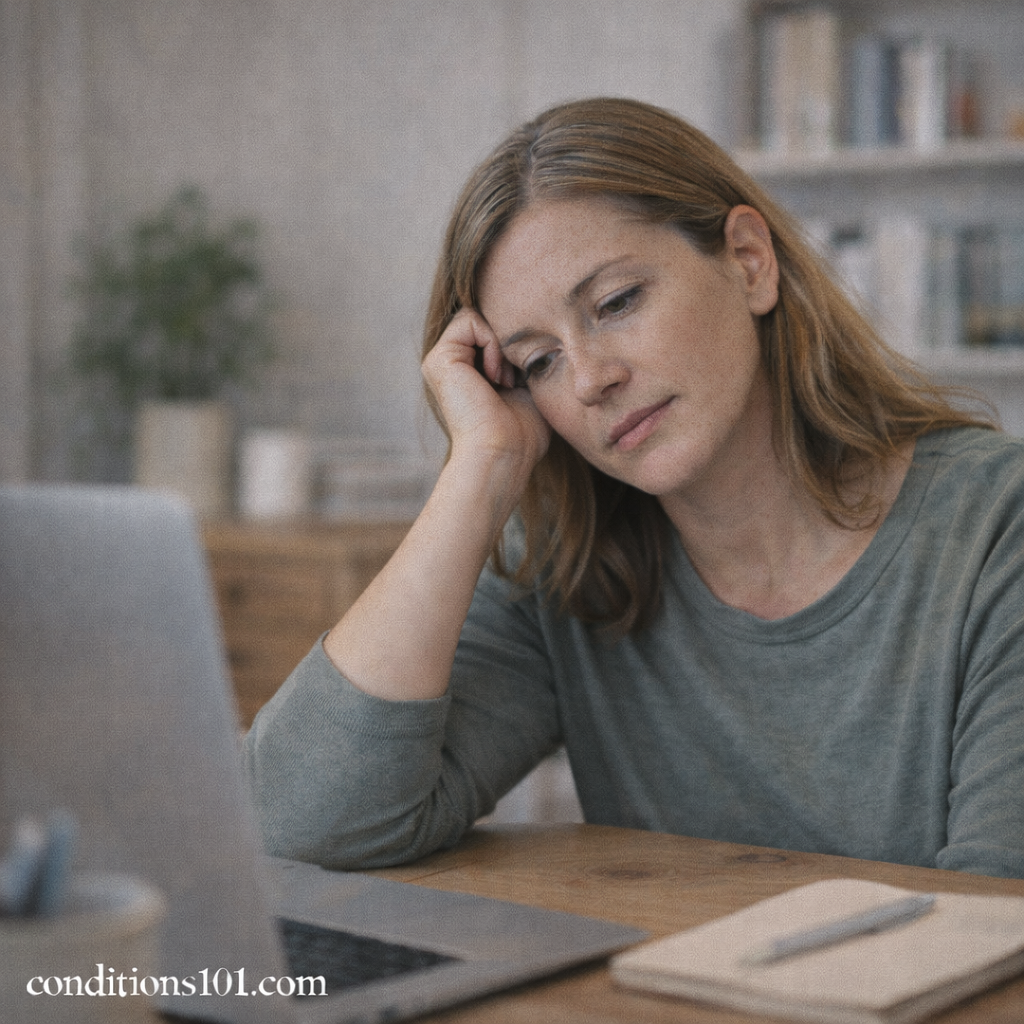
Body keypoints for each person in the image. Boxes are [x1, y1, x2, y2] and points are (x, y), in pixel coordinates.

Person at [242, 98, 1024, 879]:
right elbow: (299, 823)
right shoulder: (568, 565)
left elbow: (994, 929)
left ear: (749, 262)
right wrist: (478, 469)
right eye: (537, 361)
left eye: (617, 303)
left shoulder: (995, 527)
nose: (588, 380)